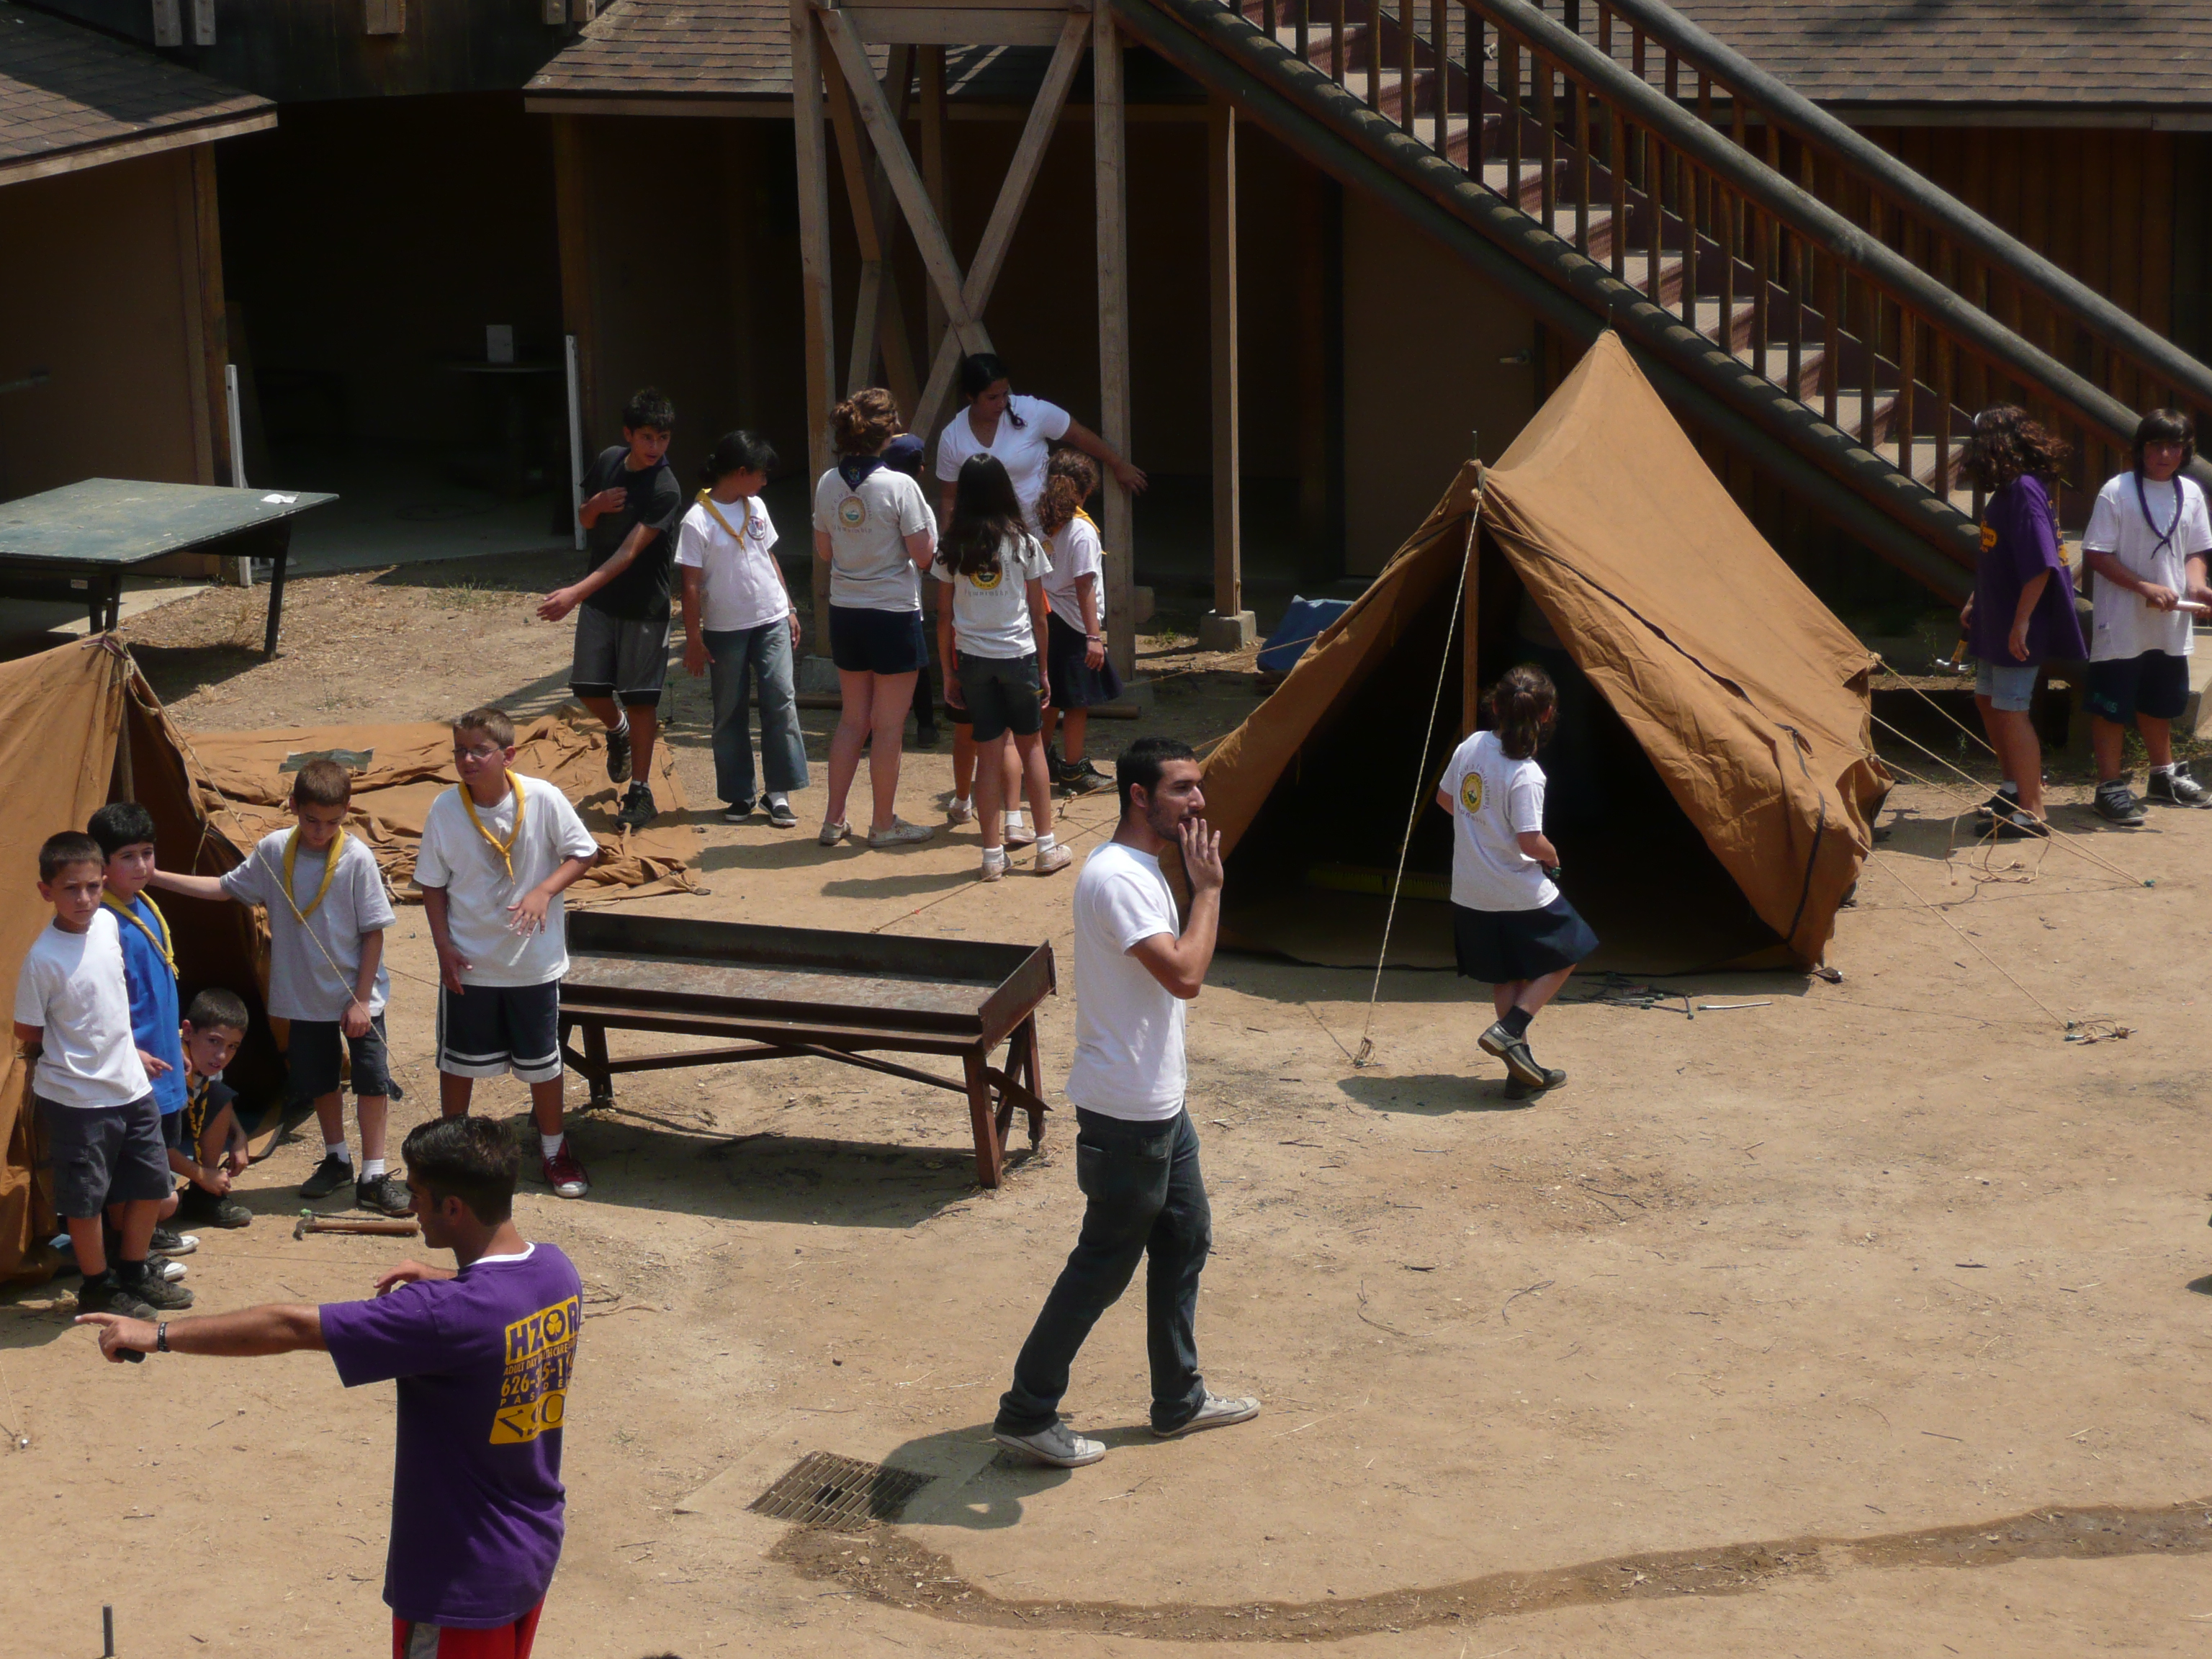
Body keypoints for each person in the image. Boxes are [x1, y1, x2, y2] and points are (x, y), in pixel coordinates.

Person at [79, 1115, 583, 1659]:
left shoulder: (440, 1316)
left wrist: (156, 1334)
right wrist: (441, 1276)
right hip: (529, 1549)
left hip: (460, 1583)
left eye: (418, 1195)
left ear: (454, 1208)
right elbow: (495, 1299)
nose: (412, 1207)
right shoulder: (557, 1273)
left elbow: (290, 1326)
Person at [992, 737, 1257, 1467]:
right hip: (1127, 1114)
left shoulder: (1142, 869)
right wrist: (1209, 892)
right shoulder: (1118, 878)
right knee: (1104, 1264)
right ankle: (1027, 1412)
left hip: (1160, 1104)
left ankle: (1179, 1398)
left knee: (1186, 1237)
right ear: (1139, 796)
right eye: (1181, 789)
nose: (1198, 801)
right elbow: (1185, 976)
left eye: (1198, 786)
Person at [148, 758, 408, 1215]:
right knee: (321, 1080)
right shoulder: (273, 850)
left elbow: (374, 932)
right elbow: (223, 888)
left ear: (347, 812)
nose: (320, 831)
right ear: (292, 806)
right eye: (311, 820)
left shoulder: (356, 858)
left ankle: (373, 1173)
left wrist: (361, 999)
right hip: (303, 996)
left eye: (332, 822)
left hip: (355, 996)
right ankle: (337, 1159)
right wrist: (154, 878)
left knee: (371, 1081)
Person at [935, 354, 1141, 831]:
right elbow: (948, 498)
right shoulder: (953, 437)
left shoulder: (1031, 412)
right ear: (970, 397)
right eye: (992, 396)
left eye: (1006, 392)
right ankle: (1023, 820)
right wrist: (953, 550)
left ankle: (998, 806)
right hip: (990, 559)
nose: (1003, 402)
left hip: (1026, 555)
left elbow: (1079, 435)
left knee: (1000, 728)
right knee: (1009, 732)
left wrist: (1117, 463)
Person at [417, 707, 601, 1199]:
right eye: (460, 751)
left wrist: (544, 890)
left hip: (532, 964)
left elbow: (585, 852)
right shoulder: (445, 808)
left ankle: (554, 1149)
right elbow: (432, 884)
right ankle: (453, 1154)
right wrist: (443, 946)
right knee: (458, 1063)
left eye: (480, 750)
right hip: (470, 963)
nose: (467, 760)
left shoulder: (543, 798)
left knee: (543, 1063)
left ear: (508, 755)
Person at [14, 832, 189, 1318]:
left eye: (93, 886)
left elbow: (108, 1005)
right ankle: (97, 1285)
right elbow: (28, 1030)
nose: (85, 898)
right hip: (78, 1100)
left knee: (151, 1184)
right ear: (46, 891)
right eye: (71, 889)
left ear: (104, 882)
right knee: (86, 1200)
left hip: (131, 1087)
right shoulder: (43, 959)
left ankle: (133, 1271)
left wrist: (130, 1051)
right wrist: (81, 1057)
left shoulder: (110, 925)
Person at [1436, 664, 1599, 1099]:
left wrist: (1480, 827)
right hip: (1515, 889)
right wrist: (1553, 855)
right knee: (1573, 946)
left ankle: (1519, 1076)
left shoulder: (1471, 746)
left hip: (1471, 889)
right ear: (1546, 715)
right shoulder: (1526, 773)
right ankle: (1511, 1028)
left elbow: (1446, 799)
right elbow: (1530, 841)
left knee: (1507, 974)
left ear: (1494, 707)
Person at [539, 388, 683, 832]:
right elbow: (585, 521)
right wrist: (595, 505)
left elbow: (628, 554)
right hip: (601, 602)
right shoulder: (607, 461)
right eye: (647, 437)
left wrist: (574, 594)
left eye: (663, 438)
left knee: (640, 700)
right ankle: (616, 730)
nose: (655, 447)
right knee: (587, 687)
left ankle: (640, 791)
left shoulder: (665, 488)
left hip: (644, 607)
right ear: (628, 435)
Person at [936, 454, 1071, 881]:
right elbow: (1039, 614)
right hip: (1018, 655)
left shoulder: (951, 546)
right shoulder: (1024, 543)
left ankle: (992, 855)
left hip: (973, 658)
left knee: (989, 751)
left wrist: (948, 673)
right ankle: (1046, 847)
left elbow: (943, 617)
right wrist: (1044, 669)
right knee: (1032, 748)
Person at [813, 388, 936, 849]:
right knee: (887, 726)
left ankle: (833, 820)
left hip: (845, 610)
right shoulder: (900, 486)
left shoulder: (828, 482)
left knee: (852, 720)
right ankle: (883, 823)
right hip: (892, 613)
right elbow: (924, 557)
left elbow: (825, 551)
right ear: (887, 433)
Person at [1958, 406, 2088, 838]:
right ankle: (2013, 787)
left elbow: (2041, 566)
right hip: (1995, 617)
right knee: (1988, 700)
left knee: (2012, 709)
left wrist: (2021, 623)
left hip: (2018, 623)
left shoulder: (2025, 491)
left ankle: (2033, 812)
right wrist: (1977, 599)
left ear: (1993, 445)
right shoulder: (2008, 490)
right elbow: (2000, 557)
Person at [2080, 408, 2212, 824]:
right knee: (2112, 704)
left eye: (2175, 446)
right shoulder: (2116, 490)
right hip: (2122, 621)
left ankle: (2163, 775)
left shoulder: (2191, 492)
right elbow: (2096, 553)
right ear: (2141, 448)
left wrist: (2196, 585)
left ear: (2185, 451)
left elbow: (2195, 550)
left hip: (2171, 623)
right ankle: (2109, 786)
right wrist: (2143, 587)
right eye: (2156, 445)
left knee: (2162, 700)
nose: (2165, 455)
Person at [677, 430, 808, 830]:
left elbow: (769, 556)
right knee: (729, 710)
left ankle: (779, 792)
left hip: (770, 618)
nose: (765, 481)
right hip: (725, 628)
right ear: (740, 472)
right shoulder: (697, 520)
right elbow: (689, 585)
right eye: (761, 473)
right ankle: (739, 793)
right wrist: (694, 638)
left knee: (780, 699)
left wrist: (789, 607)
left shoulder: (757, 506)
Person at [87, 801, 194, 1260]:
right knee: (133, 1174)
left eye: (147, 853)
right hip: (133, 1072)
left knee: (157, 1162)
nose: (141, 866)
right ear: (102, 864)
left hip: (163, 1062)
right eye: (127, 856)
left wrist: (177, 1042)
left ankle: (145, 1232)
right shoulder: (104, 923)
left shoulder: (144, 906)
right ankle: (129, 1250)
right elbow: (102, 1007)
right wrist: (132, 1050)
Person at [1036, 449, 1120, 795]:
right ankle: (1073, 769)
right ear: (1085, 492)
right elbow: (1085, 585)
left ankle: (1039, 762)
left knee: (1050, 696)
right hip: (1073, 624)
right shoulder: (1082, 531)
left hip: (1043, 618)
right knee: (1076, 701)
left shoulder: (1038, 521)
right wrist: (1094, 637)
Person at [174, 988, 253, 1230]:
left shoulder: (209, 1065)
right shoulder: (168, 1067)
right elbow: (151, 1142)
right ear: (188, 1031)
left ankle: (202, 1199)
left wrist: (239, 1137)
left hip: (179, 1123)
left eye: (232, 1046)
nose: (222, 1055)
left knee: (219, 1094)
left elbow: (219, 1101)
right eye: (214, 1041)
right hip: (142, 1144)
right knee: (165, 1205)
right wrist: (201, 1175)